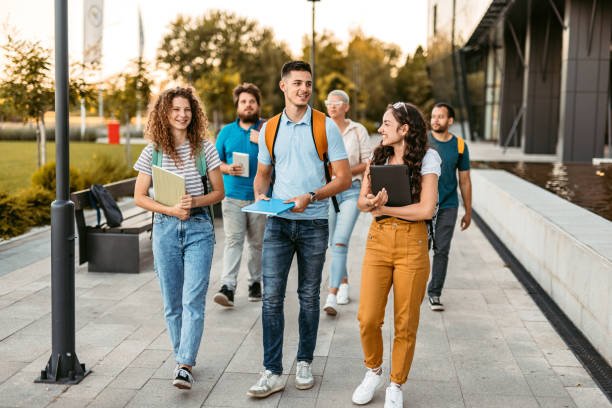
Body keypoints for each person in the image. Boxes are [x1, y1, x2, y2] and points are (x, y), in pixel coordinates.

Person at [246, 61, 351, 398]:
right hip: (277, 222)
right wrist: (260, 195)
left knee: (308, 297)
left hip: (314, 223)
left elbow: (343, 179)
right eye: (297, 83)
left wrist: (311, 196)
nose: (304, 89)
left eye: (308, 83)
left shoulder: (324, 126)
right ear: (283, 87)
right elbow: (263, 173)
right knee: (271, 299)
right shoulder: (270, 129)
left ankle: (304, 361)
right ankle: (272, 371)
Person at [133, 86, 224, 390]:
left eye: (187, 109)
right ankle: (180, 359)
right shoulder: (153, 152)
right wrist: (170, 209)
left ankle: (185, 364)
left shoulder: (204, 148)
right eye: (175, 110)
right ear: (164, 113)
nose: (182, 115)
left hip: (199, 228)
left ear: (194, 113)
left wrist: (192, 203)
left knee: (192, 300)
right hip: (165, 230)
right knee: (172, 303)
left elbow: (218, 192)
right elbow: (139, 197)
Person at [352, 102, 441, 408]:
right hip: (378, 242)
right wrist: (372, 201)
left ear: (405, 129)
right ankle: (373, 370)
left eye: (386, 124)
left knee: (405, 322)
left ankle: (396, 383)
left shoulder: (428, 158)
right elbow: (361, 203)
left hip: (412, 245)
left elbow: (425, 209)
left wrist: (384, 208)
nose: (380, 129)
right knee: (367, 317)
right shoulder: (378, 155)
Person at [213, 83, 267, 307]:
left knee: (256, 244)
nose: (248, 105)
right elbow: (214, 163)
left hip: (259, 198)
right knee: (234, 241)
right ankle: (228, 287)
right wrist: (227, 169)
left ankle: (255, 283)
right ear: (237, 105)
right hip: (233, 197)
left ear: (257, 106)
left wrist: (263, 141)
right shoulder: (226, 132)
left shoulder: (265, 131)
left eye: (252, 102)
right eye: (244, 101)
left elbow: (280, 158)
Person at [322, 89, 371, 316]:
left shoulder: (357, 129)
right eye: (329, 103)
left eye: (337, 102)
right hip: (329, 192)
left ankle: (331, 294)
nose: (332, 106)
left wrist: (344, 172)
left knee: (340, 241)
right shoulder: (322, 128)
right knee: (333, 242)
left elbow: (368, 162)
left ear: (346, 107)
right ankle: (343, 283)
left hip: (351, 191)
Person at [427, 102, 472, 311]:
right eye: (433, 116)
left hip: (448, 205)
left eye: (441, 116)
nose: (436, 120)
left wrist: (468, 211)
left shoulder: (460, 146)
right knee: (420, 249)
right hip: (424, 205)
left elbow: (464, 180)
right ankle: (415, 288)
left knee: (441, 250)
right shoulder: (423, 141)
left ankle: (434, 293)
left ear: (450, 121)